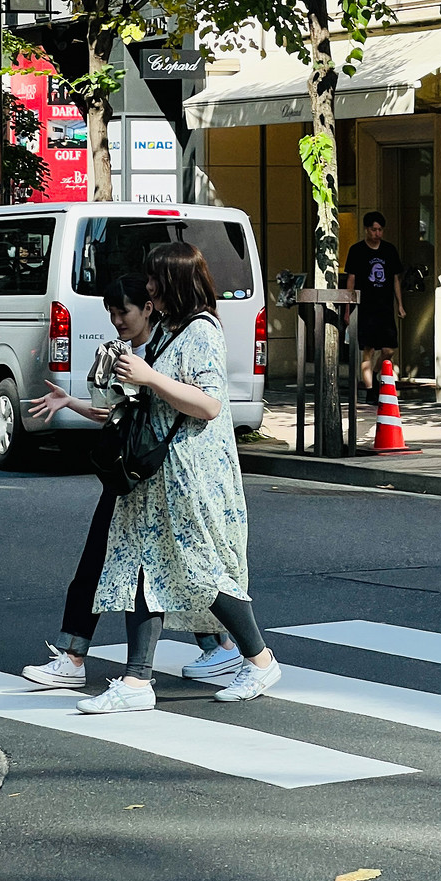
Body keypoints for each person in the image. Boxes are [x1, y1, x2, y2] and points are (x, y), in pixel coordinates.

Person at [78, 243, 280, 714]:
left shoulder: (201, 331)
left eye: (153, 279)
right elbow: (153, 393)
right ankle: (136, 681)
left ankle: (259, 657)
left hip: (191, 474)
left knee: (199, 570)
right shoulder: (169, 330)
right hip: (155, 474)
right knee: (141, 567)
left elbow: (209, 404)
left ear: (173, 282)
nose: (147, 287)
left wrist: (149, 378)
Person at [20, 275, 239, 690]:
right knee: (105, 562)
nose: (117, 319)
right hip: (131, 476)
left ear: (149, 308)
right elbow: (117, 415)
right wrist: (70, 403)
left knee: (184, 567)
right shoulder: (118, 353)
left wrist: (149, 378)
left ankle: (227, 648)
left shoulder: (169, 348)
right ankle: (78, 655)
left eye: (124, 311)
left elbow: (204, 404)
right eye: (111, 312)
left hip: (169, 475)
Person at [344, 212, 405, 401]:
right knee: (368, 351)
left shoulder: (389, 250)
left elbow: (395, 279)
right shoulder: (357, 250)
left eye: (380, 230)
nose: (377, 233)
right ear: (366, 229)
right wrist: (348, 308)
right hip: (365, 307)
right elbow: (351, 280)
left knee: (389, 350)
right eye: (373, 229)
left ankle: (377, 376)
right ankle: (370, 389)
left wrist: (400, 305)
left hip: (385, 306)